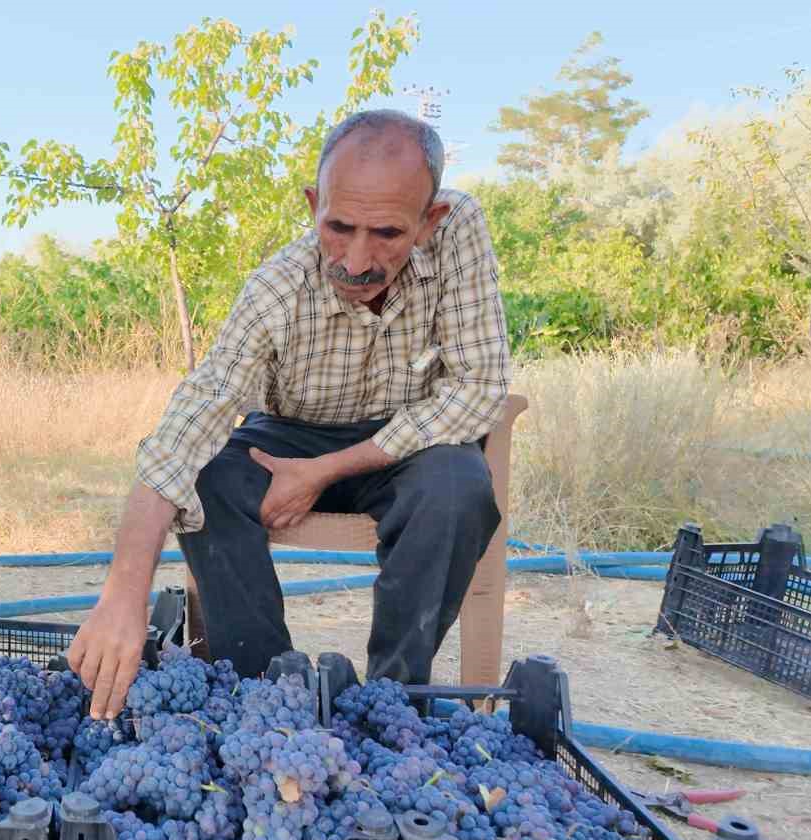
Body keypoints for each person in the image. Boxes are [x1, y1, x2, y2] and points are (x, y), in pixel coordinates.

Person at [66, 108, 512, 720]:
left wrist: (327, 470)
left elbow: (479, 388)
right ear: (313, 205)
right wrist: (124, 590)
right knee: (209, 476)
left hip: (412, 441)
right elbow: (191, 422)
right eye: (339, 227)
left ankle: (397, 702)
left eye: (387, 234)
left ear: (429, 220)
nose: (356, 261)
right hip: (292, 434)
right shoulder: (277, 287)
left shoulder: (459, 228)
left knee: (459, 485)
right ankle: (266, 697)